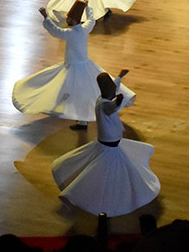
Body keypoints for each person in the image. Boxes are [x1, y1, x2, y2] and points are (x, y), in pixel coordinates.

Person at [51, 70, 160, 215]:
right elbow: (112, 107)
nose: (114, 91)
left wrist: (120, 77)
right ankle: (72, 195)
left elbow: (113, 89)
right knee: (98, 175)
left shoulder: (102, 99)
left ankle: (72, 195)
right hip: (109, 147)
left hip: (110, 144)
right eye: (112, 90)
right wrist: (119, 101)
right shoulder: (104, 105)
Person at [12, 0, 135, 129]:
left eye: (69, 18)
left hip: (73, 66)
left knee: (71, 90)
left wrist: (46, 17)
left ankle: (69, 111)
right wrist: (88, 9)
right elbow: (91, 21)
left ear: (73, 21)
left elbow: (55, 31)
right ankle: (81, 119)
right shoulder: (84, 29)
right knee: (82, 92)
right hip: (84, 64)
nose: (67, 20)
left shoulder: (70, 33)